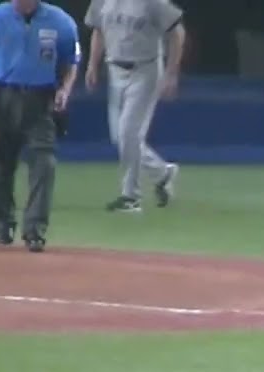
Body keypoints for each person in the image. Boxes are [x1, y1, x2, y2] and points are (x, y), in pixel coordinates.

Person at [0, 0, 80, 252]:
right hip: (3, 96)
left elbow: (71, 61)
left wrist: (65, 90)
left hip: (41, 98)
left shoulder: (61, 21)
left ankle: (35, 230)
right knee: (0, 164)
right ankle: (2, 225)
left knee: (44, 162)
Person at [84, 0, 185, 213]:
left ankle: (131, 196)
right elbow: (98, 30)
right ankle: (162, 173)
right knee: (120, 138)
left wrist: (171, 73)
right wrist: (92, 64)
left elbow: (177, 32)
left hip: (145, 70)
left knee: (128, 133)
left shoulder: (152, 2)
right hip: (115, 69)